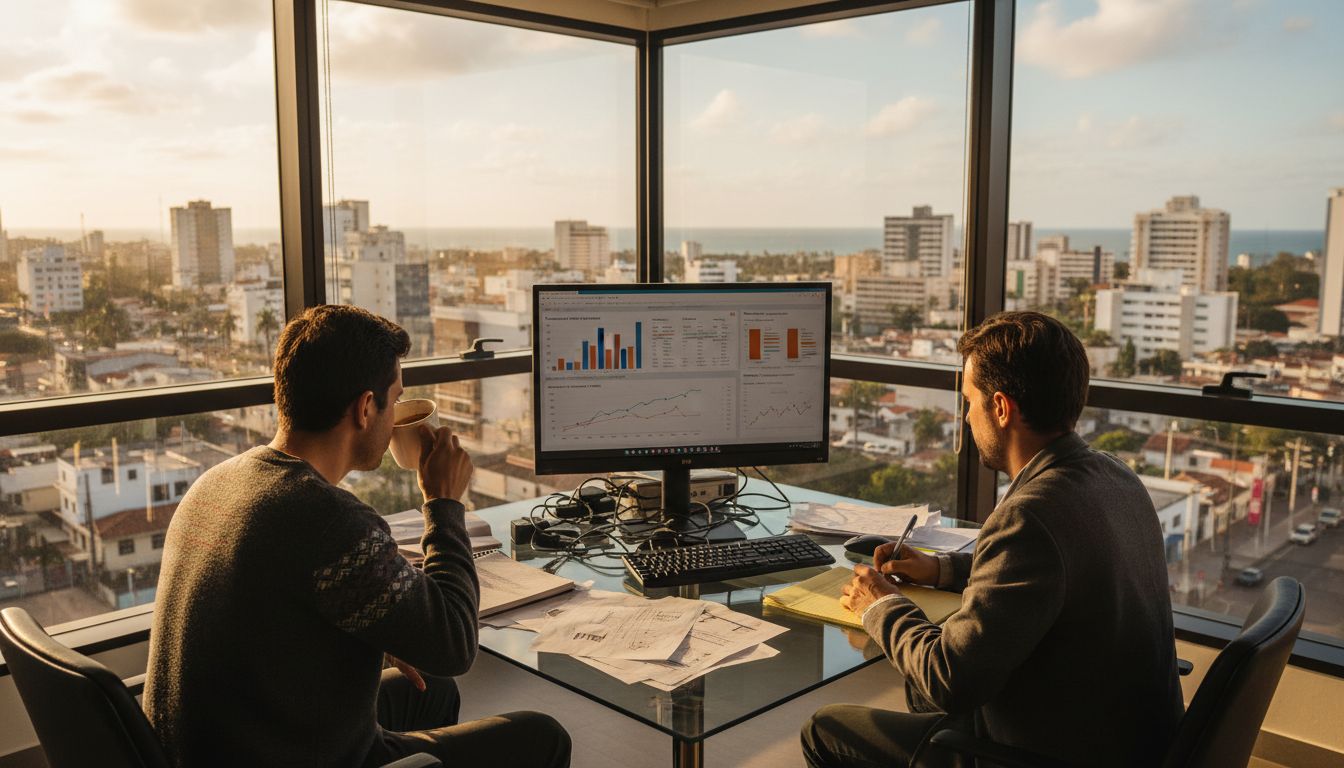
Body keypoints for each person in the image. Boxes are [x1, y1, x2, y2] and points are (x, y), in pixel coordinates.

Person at [145, 305, 571, 768]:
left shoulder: (217, 482)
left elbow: (274, 612)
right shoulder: (329, 520)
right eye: (396, 398)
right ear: (366, 408)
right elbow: (454, 644)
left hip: (220, 743)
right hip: (290, 755)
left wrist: (376, 632)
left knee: (431, 690)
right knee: (542, 736)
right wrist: (444, 502)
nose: (397, 416)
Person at [803, 311, 1183, 767]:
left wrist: (878, 605)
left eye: (970, 401)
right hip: (1126, 741)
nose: (966, 417)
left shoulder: (1029, 515)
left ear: (1001, 408)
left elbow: (949, 681)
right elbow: (1049, 572)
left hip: (1048, 752)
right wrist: (941, 569)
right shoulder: (1117, 477)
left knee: (825, 730)